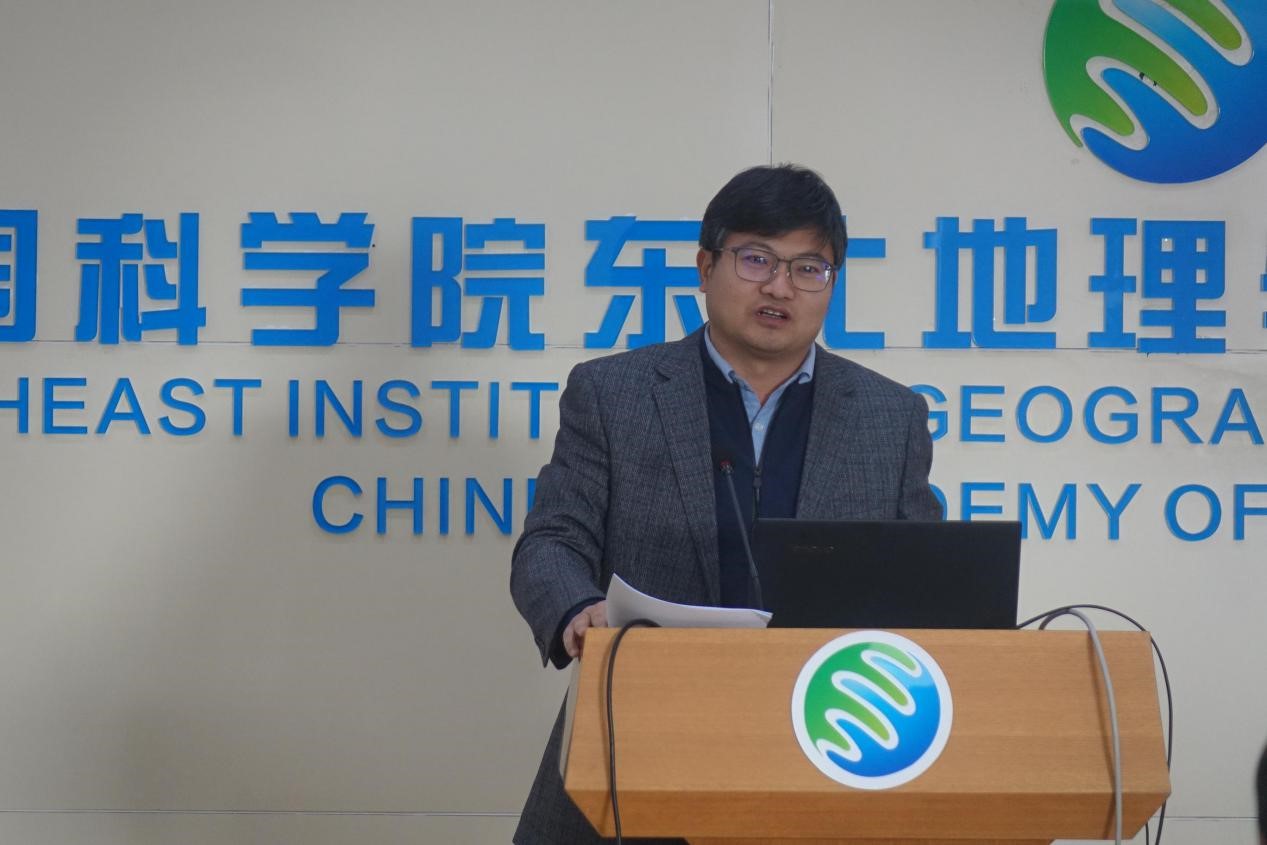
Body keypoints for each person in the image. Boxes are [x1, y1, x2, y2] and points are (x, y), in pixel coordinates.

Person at [509, 163, 941, 845]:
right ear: (705, 266)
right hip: (639, 736)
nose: (779, 287)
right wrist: (574, 607)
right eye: (756, 259)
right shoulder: (614, 394)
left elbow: (924, 580)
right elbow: (552, 539)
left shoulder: (891, 417)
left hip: (828, 744)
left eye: (808, 268)